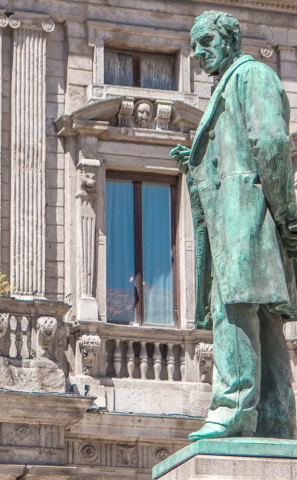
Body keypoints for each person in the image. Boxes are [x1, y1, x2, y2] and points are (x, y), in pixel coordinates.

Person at [170, 10, 297, 441]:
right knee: (262, 318)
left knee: (235, 310)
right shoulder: (228, 86)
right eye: (194, 46)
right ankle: (277, 418)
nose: (199, 53)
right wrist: (199, 164)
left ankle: (234, 408)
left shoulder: (252, 75)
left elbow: (272, 143)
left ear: (229, 39)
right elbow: (243, 147)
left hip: (246, 216)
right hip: (241, 214)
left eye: (206, 42)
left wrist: (287, 213)